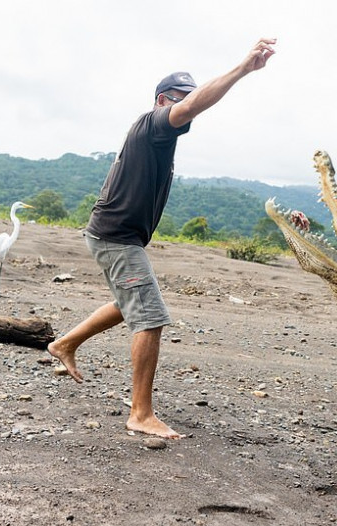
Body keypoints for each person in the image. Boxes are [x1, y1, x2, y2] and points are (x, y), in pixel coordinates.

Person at [48, 38, 277, 439]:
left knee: (128, 304)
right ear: (160, 101)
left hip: (115, 236)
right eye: (177, 99)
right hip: (116, 237)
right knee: (150, 317)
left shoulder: (161, 138)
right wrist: (243, 68)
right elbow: (189, 108)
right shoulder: (154, 124)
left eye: (188, 98)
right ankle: (140, 413)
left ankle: (64, 344)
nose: (186, 106)